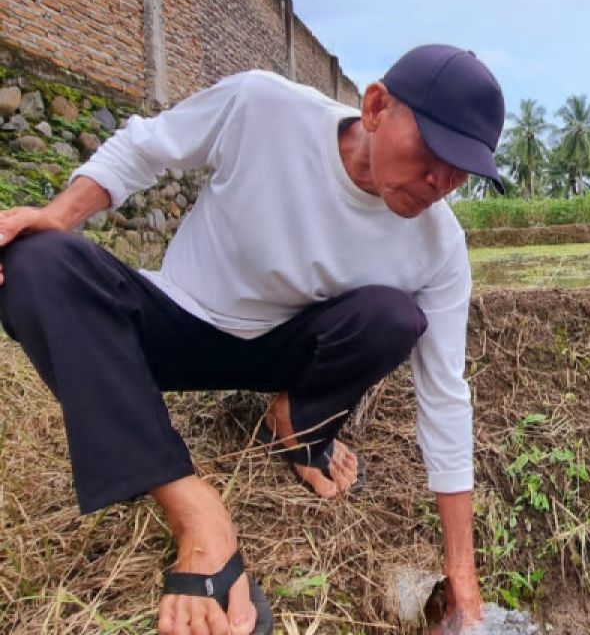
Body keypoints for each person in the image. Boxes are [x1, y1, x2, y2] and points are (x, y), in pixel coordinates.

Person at [0, 44, 504, 635]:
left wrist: (463, 582)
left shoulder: (440, 246)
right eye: (433, 152)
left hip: (282, 350)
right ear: (374, 106)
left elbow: (445, 396)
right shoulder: (264, 107)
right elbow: (145, 147)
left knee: (394, 317)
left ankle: (296, 420)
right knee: (35, 263)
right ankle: (194, 511)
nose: (439, 182)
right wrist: (59, 215)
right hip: (177, 320)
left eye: (461, 171)